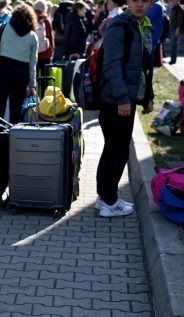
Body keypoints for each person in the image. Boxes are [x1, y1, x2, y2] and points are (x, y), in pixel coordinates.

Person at [96, 0, 154, 217]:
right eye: (135, 0)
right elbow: (111, 66)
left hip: (126, 100)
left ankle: (105, 198)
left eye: (145, 0)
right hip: (115, 102)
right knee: (117, 151)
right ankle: (109, 202)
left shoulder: (144, 25)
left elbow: (143, 67)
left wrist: (147, 97)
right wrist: (122, 99)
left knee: (113, 149)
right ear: (128, 2)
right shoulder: (119, 27)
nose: (140, 4)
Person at [0, 4, 38, 124]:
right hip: (21, 72)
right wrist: (32, 84)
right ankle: (13, 136)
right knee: (16, 108)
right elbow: (33, 63)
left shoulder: (1, 28)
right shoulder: (32, 36)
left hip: (1, 69)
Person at [33, 0, 55, 74]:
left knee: (34, 77)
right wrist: (52, 51)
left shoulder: (31, 19)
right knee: (45, 77)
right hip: (46, 54)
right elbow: (50, 38)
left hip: (33, 54)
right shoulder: (46, 20)